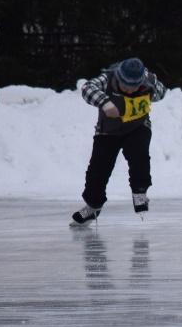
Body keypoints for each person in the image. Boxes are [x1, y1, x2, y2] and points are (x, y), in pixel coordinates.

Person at [71, 57, 166, 225]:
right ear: (119, 79)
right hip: (108, 131)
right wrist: (105, 102)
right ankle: (93, 206)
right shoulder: (108, 78)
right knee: (97, 170)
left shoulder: (148, 80)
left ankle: (140, 192)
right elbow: (87, 88)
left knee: (139, 156)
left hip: (137, 126)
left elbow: (161, 93)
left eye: (134, 87)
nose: (129, 91)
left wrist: (153, 89)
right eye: (125, 87)